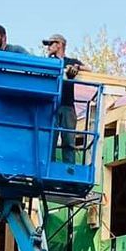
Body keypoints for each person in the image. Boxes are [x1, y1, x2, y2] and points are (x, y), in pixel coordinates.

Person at [42, 33, 84, 161]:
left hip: (67, 106)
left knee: (69, 141)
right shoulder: (49, 62)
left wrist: (77, 68)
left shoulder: (71, 62)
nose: (48, 47)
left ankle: (69, 169)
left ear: (59, 44)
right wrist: (49, 59)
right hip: (51, 106)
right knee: (50, 140)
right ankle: (48, 168)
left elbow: (89, 69)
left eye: (51, 44)